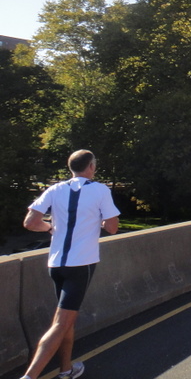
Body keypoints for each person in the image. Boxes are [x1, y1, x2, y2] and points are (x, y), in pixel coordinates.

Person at [21, 150, 120, 379]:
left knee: (66, 319)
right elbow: (112, 228)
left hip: (56, 264)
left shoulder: (55, 189)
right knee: (60, 323)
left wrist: (49, 227)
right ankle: (29, 377)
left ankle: (66, 369)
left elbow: (30, 222)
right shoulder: (100, 190)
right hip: (81, 264)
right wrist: (100, 218)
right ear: (91, 167)